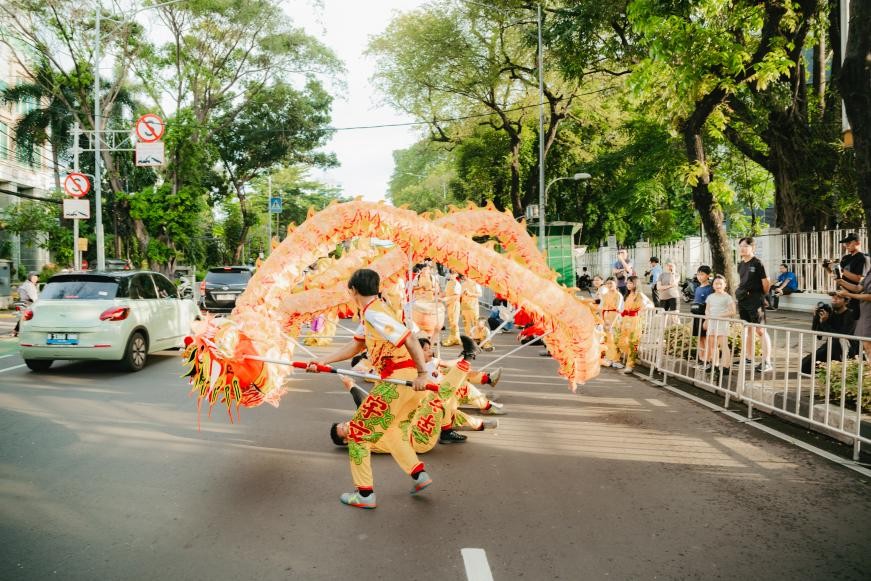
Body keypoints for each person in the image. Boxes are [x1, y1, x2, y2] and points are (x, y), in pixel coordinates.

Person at [307, 268, 432, 510]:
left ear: (353, 290)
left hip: (398, 381)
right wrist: (322, 362)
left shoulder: (375, 313)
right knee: (393, 430)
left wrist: (422, 373)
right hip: (404, 384)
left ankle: (364, 494)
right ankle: (419, 475)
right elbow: (355, 347)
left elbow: (409, 339)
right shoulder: (372, 313)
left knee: (357, 433)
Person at [736, 237, 773, 373]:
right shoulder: (740, 264)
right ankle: (749, 357)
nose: (742, 248)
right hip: (743, 300)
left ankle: (767, 361)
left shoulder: (758, 263)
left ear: (753, 248)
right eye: (741, 246)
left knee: (760, 330)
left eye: (745, 246)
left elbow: (766, 283)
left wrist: (762, 296)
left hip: (755, 300)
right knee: (748, 328)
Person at [800, 294, 857, 375]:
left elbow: (841, 336)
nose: (834, 300)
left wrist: (824, 323)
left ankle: (837, 370)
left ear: (846, 302)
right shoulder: (831, 313)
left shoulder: (850, 315)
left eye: (838, 298)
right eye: (833, 297)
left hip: (845, 347)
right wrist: (816, 318)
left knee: (835, 343)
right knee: (804, 366)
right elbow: (818, 335)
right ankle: (828, 370)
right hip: (830, 346)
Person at [612, 276, 652, 373]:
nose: (628, 285)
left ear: (636, 284)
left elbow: (650, 305)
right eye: (628, 283)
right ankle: (625, 358)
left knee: (633, 343)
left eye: (631, 283)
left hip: (635, 321)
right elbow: (624, 308)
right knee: (619, 340)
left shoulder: (640, 295)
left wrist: (641, 310)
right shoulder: (628, 295)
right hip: (625, 320)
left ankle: (629, 365)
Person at [704, 275, 737, 377]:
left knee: (723, 345)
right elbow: (707, 310)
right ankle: (715, 365)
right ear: (713, 285)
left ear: (725, 285)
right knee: (713, 345)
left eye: (720, 284)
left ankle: (726, 366)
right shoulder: (710, 297)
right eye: (716, 283)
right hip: (712, 323)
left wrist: (719, 316)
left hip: (722, 323)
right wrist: (707, 319)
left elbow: (733, 311)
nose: (718, 285)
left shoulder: (727, 297)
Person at [831, 233, 867, 320]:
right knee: (838, 321)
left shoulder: (861, 258)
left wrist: (842, 270)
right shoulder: (845, 257)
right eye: (845, 243)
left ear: (857, 243)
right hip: (841, 296)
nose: (846, 245)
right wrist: (829, 267)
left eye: (849, 242)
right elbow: (837, 275)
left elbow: (859, 279)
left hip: (852, 297)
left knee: (851, 322)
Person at [691, 265, 713, 365]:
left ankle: (707, 359)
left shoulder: (710, 289)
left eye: (702, 274)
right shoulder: (697, 288)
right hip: (696, 316)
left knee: (706, 338)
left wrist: (708, 319)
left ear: (708, 275)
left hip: (705, 317)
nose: (699, 277)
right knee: (699, 337)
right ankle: (701, 357)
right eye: (698, 274)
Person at [599, 277, 623, 366]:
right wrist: (601, 320)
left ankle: (615, 359)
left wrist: (613, 322)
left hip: (615, 317)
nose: (609, 285)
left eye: (611, 283)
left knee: (614, 338)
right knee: (607, 337)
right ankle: (607, 357)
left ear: (616, 284)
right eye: (608, 283)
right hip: (606, 317)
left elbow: (619, 309)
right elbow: (601, 307)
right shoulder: (605, 295)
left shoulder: (618, 295)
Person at [12, 272, 39, 337]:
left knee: (23, 317)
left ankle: (16, 331)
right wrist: (37, 303)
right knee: (27, 317)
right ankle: (17, 331)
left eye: (37, 277)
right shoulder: (29, 286)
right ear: (30, 278)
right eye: (34, 277)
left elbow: (18, 292)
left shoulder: (25, 284)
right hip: (27, 303)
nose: (36, 279)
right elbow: (33, 297)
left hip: (22, 302)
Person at [441, 271, 462, 346]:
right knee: (451, 321)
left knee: (454, 322)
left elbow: (457, 296)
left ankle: (453, 338)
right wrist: (438, 296)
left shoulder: (457, 284)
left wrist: (446, 298)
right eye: (451, 273)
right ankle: (455, 338)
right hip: (449, 304)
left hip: (454, 304)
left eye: (453, 273)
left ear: (457, 274)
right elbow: (445, 293)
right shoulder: (449, 283)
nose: (451, 275)